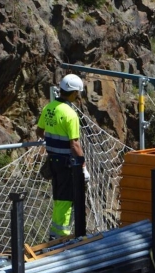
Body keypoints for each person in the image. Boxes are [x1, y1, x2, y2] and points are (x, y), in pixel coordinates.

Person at [36, 74, 89, 240]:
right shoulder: (71, 114)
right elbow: (75, 144)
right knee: (67, 199)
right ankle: (61, 236)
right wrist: (83, 166)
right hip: (67, 163)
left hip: (53, 161)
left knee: (58, 196)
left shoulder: (49, 107)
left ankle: (55, 233)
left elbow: (39, 131)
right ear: (73, 93)